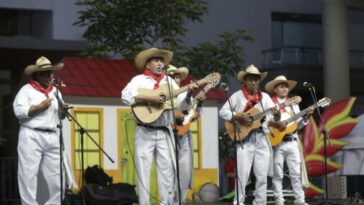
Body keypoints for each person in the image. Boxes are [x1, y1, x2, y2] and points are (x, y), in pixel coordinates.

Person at [121, 48, 195, 205]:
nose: (160, 63)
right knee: (143, 171)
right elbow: (125, 96)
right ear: (148, 64)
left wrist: (188, 94)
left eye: (162, 61)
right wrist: (150, 98)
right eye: (156, 60)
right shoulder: (138, 80)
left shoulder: (169, 83)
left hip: (164, 131)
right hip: (144, 131)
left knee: (167, 172)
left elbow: (181, 106)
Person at [219, 64, 280, 205]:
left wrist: (277, 115)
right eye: (251, 79)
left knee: (262, 176)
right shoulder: (237, 96)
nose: (253, 82)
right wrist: (237, 115)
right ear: (245, 81)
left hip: (262, 138)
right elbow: (223, 112)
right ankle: (238, 203)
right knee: (242, 175)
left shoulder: (265, 97)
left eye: (256, 79)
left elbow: (272, 118)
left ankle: (260, 203)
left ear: (259, 81)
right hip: (244, 139)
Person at [13, 56, 66, 205]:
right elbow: (18, 111)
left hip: (52, 134)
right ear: (37, 75)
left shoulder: (56, 91)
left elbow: (59, 116)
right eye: (46, 73)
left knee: (57, 175)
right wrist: (39, 107)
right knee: (28, 174)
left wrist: (63, 111)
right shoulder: (26, 90)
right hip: (31, 134)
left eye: (51, 73)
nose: (50, 76)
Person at [265, 75, 314, 205]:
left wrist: (307, 115)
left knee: (295, 174)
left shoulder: (294, 105)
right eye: (281, 86)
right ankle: (279, 201)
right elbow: (266, 122)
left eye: (286, 86)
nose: (285, 88)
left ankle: (300, 201)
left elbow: (298, 125)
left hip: (292, 141)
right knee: (277, 175)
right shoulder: (270, 103)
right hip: (277, 142)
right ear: (275, 89)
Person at [166, 65, 205, 204]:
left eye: (177, 76)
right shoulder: (163, 94)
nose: (175, 79)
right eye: (172, 76)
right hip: (167, 135)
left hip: (183, 136)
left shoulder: (185, 94)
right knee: (169, 172)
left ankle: (179, 202)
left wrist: (199, 103)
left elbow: (195, 115)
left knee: (184, 172)